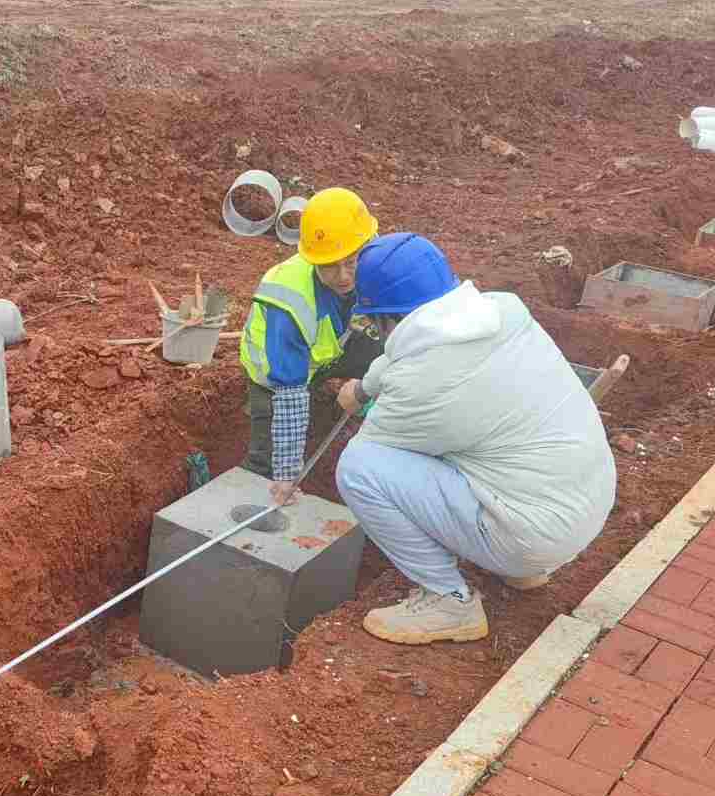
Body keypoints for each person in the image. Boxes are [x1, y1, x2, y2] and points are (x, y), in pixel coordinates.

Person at [333, 233, 616, 645]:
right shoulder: (501, 312)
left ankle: (450, 602)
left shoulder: (425, 385)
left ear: (384, 319)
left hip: (533, 533)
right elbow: (409, 350)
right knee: (486, 443)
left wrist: (361, 400)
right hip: (586, 500)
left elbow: (382, 441)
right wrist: (363, 387)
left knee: (358, 467)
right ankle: (523, 570)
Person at [239, 186, 385, 504]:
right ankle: (259, 475)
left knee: (383, 339)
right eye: (330, 266)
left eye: (352, 262)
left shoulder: (375, 265)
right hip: (276, 375)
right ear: (313, 259)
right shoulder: (289, 303)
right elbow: (291, 395)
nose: (344, 276)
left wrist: (369, 386)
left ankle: (374, 408)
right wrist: (287, 472)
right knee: (267, 458)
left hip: (327, 352)